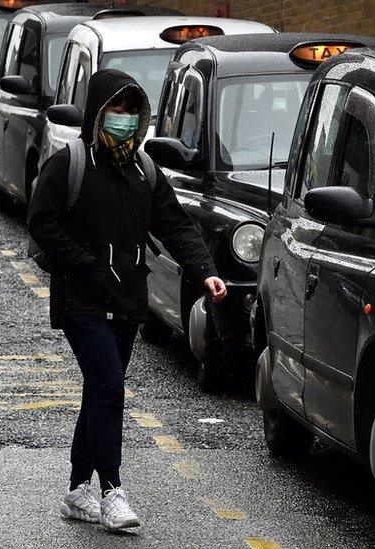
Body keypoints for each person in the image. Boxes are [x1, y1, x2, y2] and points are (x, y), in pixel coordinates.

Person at [28, 69, 227, 531]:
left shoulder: (145, 171)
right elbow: (43, 223)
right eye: (116, 108)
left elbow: (175, 225)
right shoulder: (70, 163)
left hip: (127, 299)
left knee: (100, 390)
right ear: (98, 112)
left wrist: (207, 272)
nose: (124, 117)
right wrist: (89, 265)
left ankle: (78, 490)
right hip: (82, 301)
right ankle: (111, 490)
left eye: (132, 109)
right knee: (110, 387)